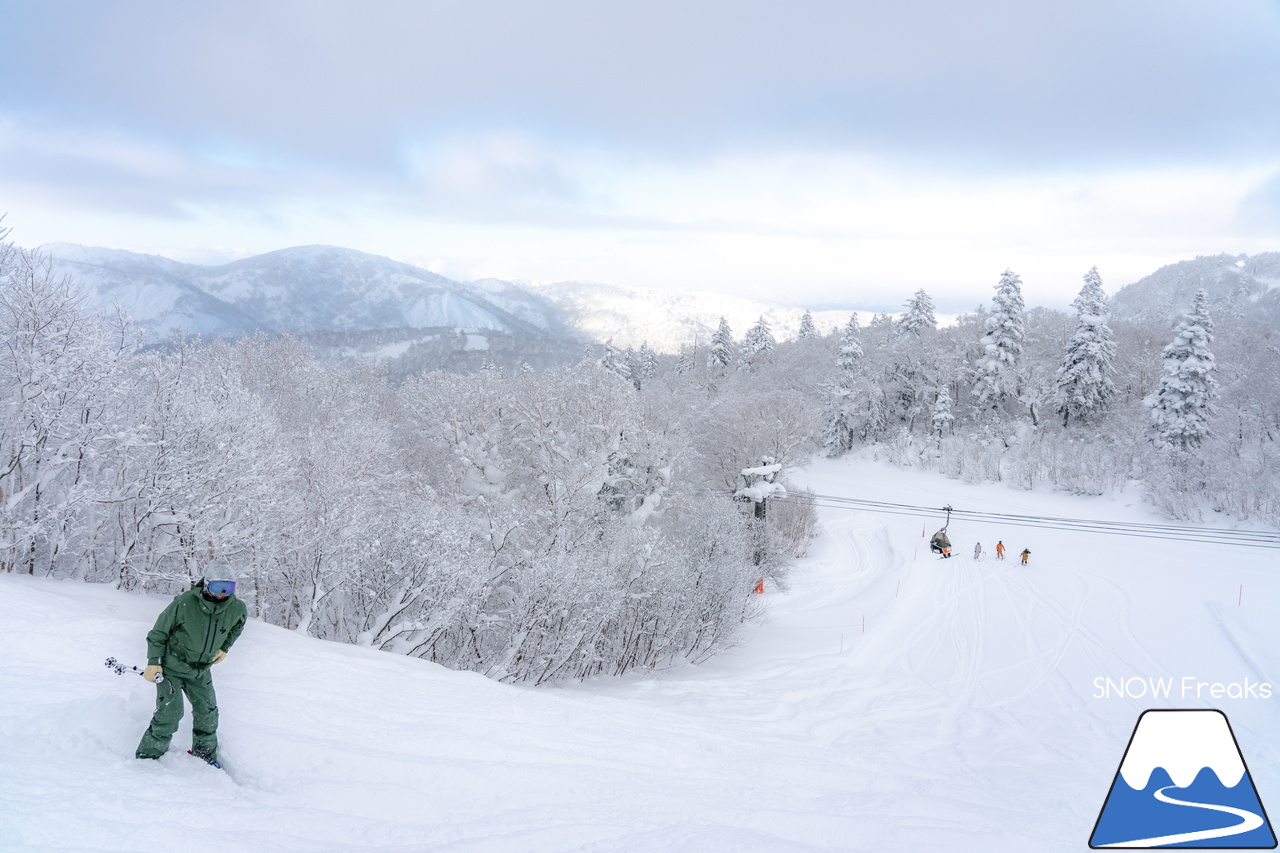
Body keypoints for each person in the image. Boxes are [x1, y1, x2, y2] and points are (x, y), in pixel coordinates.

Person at [135, 575, 247, 766]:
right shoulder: (185, 602)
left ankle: (204, 755)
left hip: (201, 670)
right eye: (219, 587)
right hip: (172, 666)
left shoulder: (236, 608)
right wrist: (154, 661)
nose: (222, 594)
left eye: (228, 588)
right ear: (207, 584)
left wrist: (225, 647)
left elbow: (238, 625)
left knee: (208, 712)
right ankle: (148, 758)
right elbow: (158, 633)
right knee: (170, 712)